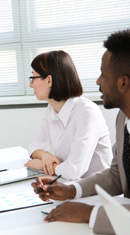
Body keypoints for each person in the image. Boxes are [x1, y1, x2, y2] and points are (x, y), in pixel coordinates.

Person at [31, 28, 130, 235]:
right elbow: (117, 173)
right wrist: (71, 190)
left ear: (123, 82)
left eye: (103, 74)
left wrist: (89, 213)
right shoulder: (125, 116)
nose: (98, 81)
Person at [25, 50, 113, 180]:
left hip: (98, 191)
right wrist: (45, 156)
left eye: (33, 77)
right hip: (71, 185)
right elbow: (34, 147)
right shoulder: (51, 109)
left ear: (49, 80)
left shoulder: (87, 112)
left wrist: (42, 166)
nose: (30, 84)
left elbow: (74, 170)